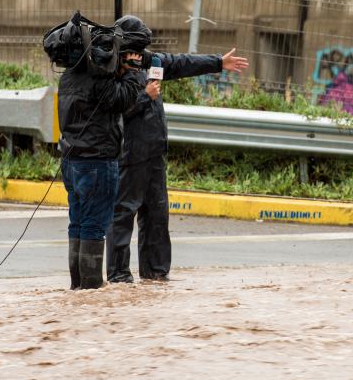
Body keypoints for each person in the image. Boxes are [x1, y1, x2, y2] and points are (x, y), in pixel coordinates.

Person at [107, 16, 249, 283]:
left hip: (155, 153)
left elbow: (181, 63)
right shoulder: (111, 68)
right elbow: (112, 108)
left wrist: (219, 62)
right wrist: (143, 96)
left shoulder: (149, 62)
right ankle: (118, 278)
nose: (139, 54)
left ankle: (156, 275)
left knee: (157, 215)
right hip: (130, 155)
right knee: (123, 214)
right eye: (136, 48)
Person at [57, 18, 144, 290]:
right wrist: (130, 71)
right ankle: (92, 289)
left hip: (71, 161)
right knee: (94, 227)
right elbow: (124, 99)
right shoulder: (101, 80)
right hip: (97, 162)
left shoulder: (69, 76)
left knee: (78, 224)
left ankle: (77, 288)